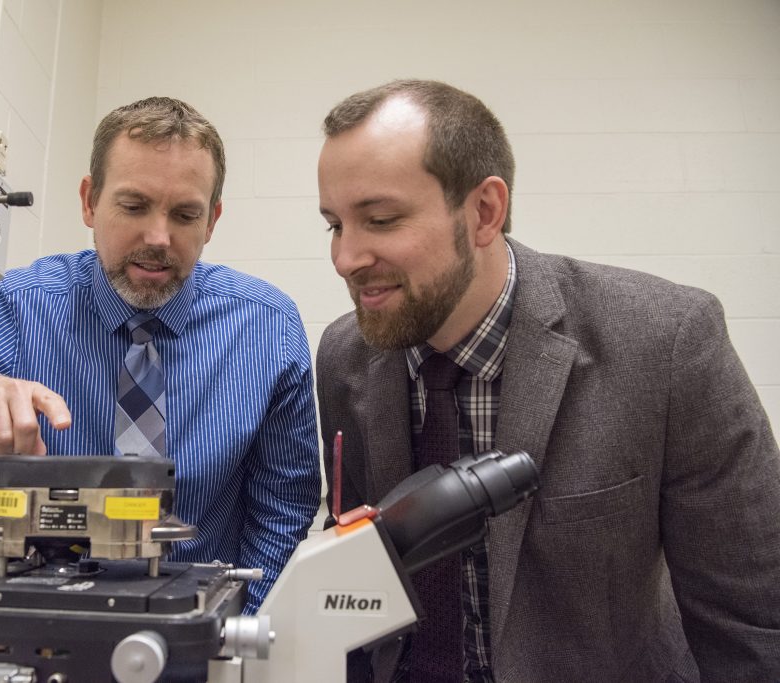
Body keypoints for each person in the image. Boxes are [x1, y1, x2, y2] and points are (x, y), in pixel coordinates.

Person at [315, 79, 780, 682]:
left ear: (484, 211)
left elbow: (750, 621)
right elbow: (361, 575)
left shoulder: (666, 343)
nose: (346, 258)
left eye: (380, 219)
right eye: (334, 225)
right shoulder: (342, 354)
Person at [0, 96, 322, 613]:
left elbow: (283, 509)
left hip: (200, 628)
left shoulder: (266, 326)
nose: (158, 238)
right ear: (90, 202)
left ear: (212, 220)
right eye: (133, 207)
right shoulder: (18, 306)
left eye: (185, 214)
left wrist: (235, 634)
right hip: (38, 620)